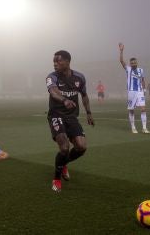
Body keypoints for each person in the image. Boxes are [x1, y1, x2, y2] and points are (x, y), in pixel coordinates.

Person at [46, 50, 94, 192]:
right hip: (56, 115)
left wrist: (89, 113)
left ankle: (63, 163)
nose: (55, 64)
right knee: (64, 147)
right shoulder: (52, 77)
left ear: (67, 61)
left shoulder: (79, 77)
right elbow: (53, 92)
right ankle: (56, 178)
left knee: (81, 147)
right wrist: (64, 100)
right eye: (54, 61)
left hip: (72, 116)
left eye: (58, 61)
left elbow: (84, 96)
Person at [119, 43, 150, 134]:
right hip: (131, 92)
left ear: (137, 63)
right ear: (130, 64)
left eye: (134, 62)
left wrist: (144, 90)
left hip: (140, 91)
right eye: (132, 63)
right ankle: (133, 127)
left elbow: (143, 80)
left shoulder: (141, 70)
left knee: (143, 109)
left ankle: (144, 128)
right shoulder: (128, 69)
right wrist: (121, 51)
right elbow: (121, 61)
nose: (133, 64)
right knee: (131, 110)